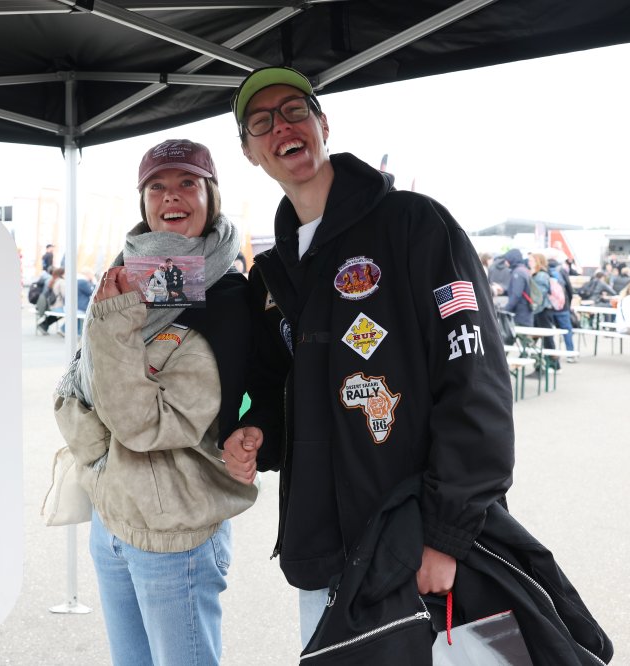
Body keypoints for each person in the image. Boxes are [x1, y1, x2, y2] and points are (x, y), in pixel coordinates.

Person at [220, 66, 514, 653]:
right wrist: (257, 432)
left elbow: (474, 380)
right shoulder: (272, 274)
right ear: (250, 153)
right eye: (261, 122)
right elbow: (279, 385)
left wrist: (446, 534)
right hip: (321, 551)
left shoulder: (415, 224)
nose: (282, 127)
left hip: (417, 543)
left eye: (295, 111)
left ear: (323, 124)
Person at [53, 138, 257, 666]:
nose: (172, 196)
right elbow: (75, 393)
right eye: (157, 186)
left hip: (174, 539)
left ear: (211, 196)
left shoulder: (227, 300)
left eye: (188, 183)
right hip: (112, 519)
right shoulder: (124, 274)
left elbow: (143, 425)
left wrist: (115, 326)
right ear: (143, 201)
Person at [528, 252, 559, 370]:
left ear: (538, 262)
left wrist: (532, 307)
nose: (529, 262)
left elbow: (539, 296)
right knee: (535, 339)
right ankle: (541, 365)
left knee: (547, 339)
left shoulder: (541, 275)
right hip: (540, 311)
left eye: (531, 260)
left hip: (542, 311)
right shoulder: (537, 274)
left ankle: (554, 365)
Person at [547, 253, 576, 359]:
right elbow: (569, 289)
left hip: (549, 307)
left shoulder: (544, 271)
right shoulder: (561, 270)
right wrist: (568, 303)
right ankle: (570, 354)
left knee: (548, 332)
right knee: (567, 330)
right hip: (563, 306)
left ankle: (551, 355)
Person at [501, 248, 533, 326]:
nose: (505, 262)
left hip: (521, 314)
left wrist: (505, 310)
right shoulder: (522, 270)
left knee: (522, 333)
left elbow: (516, 294)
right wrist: (503, 290)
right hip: (524, 313)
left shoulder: (518, 273)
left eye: (506, 260)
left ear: (512, 259)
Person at [36, 267, 65, 334]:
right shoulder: (61, 282)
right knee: (67, 313)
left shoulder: (53, 280)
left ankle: (43, 325)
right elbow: (65, 295)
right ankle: (62, 329)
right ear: (62, 274)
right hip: (58, 305)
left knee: (60, 314)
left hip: (51, 304)